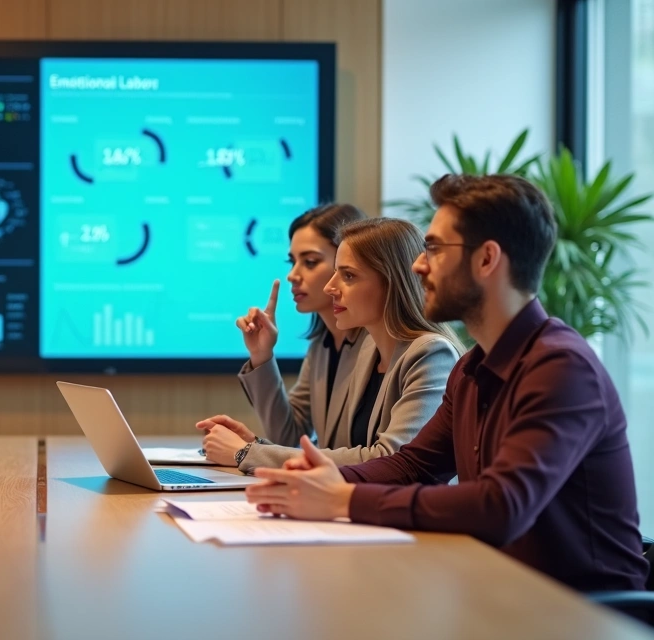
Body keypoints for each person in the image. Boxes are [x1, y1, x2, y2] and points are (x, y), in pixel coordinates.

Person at [245, 174, 648, 592]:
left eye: (435, 249)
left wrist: (343, 498)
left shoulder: (561, 366)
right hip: (500, 592)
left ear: (487, 260)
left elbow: (502, 504)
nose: (418, 264)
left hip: (582, 612)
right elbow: (412, 465)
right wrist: (322, 477)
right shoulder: (472, 366)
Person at [200, 216, 459, 471]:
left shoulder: (431, 353)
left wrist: (249, 452)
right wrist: (256, 446)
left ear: (391, 283)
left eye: (348, 275)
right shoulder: (369, 352)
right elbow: (338, 450)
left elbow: (390, 461)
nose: (330, 287)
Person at [194, 203, 375, 469]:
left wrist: (247, 452)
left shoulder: (382, 344)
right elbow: (291, 437)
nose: (292, 274)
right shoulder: (321, 346)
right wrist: (262, 357)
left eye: (310, 262)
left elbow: (387, 459)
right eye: (292, 261)